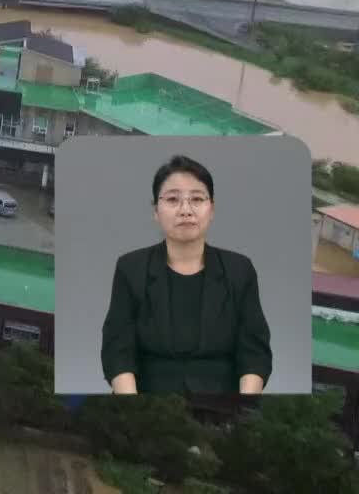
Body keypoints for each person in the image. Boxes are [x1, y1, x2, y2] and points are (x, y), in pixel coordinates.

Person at [100, 154, 271, 394]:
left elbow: (255, 353)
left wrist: (244, 407)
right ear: (156, 211)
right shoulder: (131, 268)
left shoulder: (239, 271)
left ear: (211, 209)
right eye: (173, 199)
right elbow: (118, 351)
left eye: (197, 199)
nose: (185, 210)